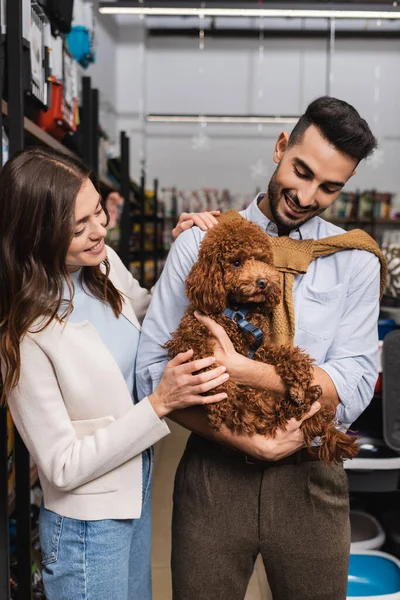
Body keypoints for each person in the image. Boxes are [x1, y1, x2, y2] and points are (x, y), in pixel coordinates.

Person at [136, 96, 382, 600]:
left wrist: (246, 373)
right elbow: (150, 372)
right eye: (302, 171)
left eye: (329, 187)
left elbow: (355, 385)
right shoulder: (202, 242)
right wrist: (249, 441)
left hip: (312, 475)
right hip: (214, 471)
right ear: (279, 148)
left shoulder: (355, 260)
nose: (308, 195)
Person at [0, 146, 227, 600]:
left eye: (98, 213)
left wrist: (181, 255)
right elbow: (61, 466)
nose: (99, 230)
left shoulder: (100, 265)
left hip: (134, 490)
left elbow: (145, 316)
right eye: (78, 226)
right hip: (86, 528)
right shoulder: (25, 332)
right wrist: (159, 403)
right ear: (36, 234)